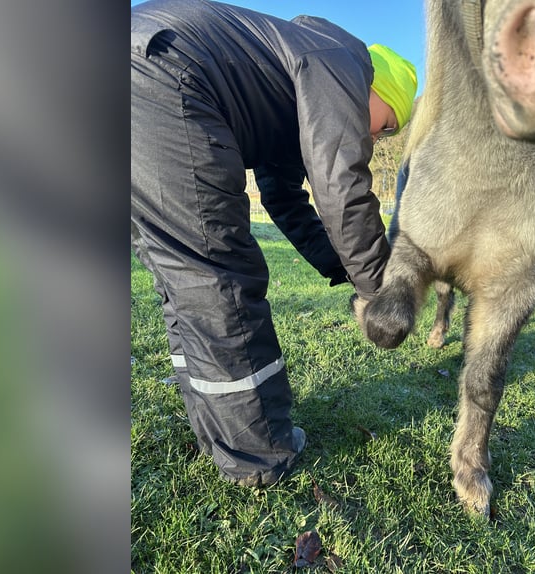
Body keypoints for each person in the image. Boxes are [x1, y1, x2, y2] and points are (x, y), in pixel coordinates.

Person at [131, 0, 417, 487]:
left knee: (185, 281)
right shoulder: (341, 62)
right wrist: (379, 292)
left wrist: (344, 268)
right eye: (387, 123)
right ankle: (258, 453)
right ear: (375, 88)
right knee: (220, 277)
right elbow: (342, 185)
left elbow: (285, 199)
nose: (377, 135)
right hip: (166, 76)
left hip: (138, 66)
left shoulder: (289, 87)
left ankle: (218, 431)